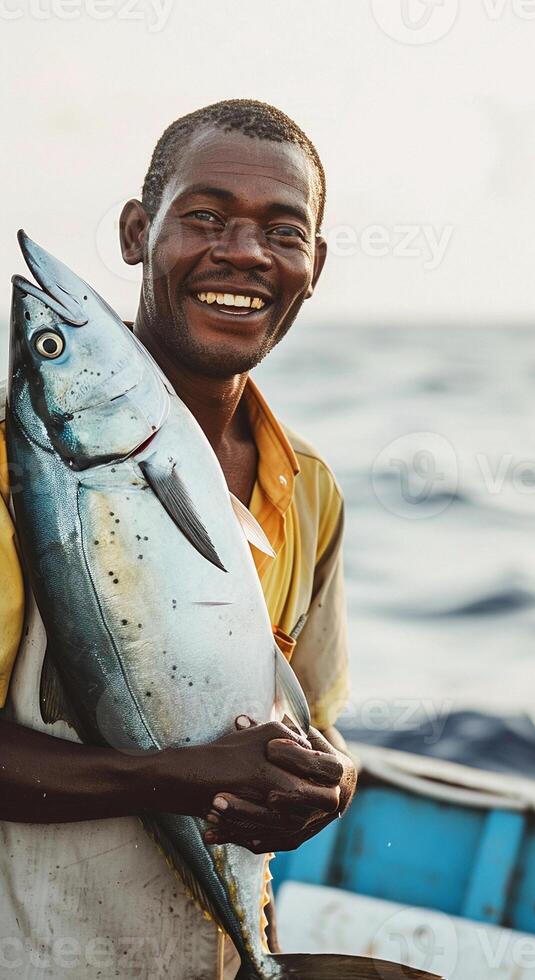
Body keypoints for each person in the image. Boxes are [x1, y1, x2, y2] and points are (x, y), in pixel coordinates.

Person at [0, 99, 357, 980]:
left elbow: (317, 718)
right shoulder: (13, 472)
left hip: (217, 958)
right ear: (135, 234)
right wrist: (175, 778)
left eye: (282, 230)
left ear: (313, 267)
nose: (241, 252)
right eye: (204, 216)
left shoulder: (305, 484)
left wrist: (334, 781)